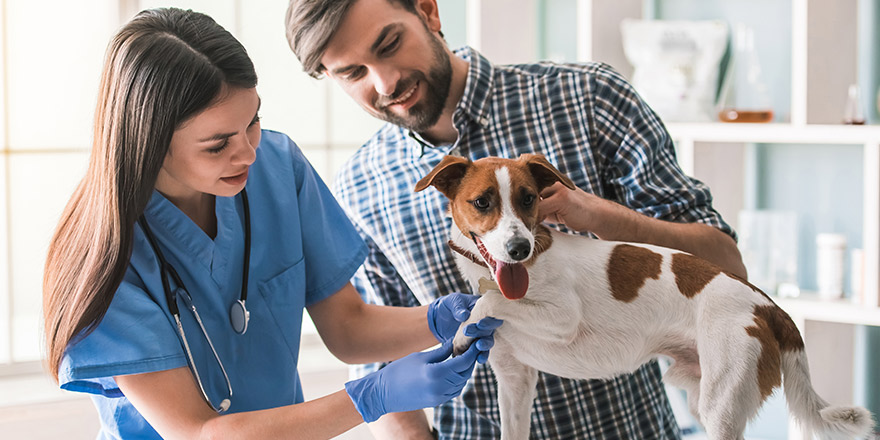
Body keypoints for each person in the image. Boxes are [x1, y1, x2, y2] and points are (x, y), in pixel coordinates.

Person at [284, 0, 748, 439]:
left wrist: (607, 219)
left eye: (388, 44)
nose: (385, 82)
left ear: (427, 10)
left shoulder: (587, 98)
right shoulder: (361, 186)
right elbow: (379, 357)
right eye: (352, 72)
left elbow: (728, 267)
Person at [42, 8, 502, 439]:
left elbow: (348, 328)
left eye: (253, 120)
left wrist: (445, 318)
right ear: (150, 144)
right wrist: (372, 396)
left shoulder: (278, 168)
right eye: (218, 144)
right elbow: (200, 433)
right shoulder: (103, 250)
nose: (247, 152)